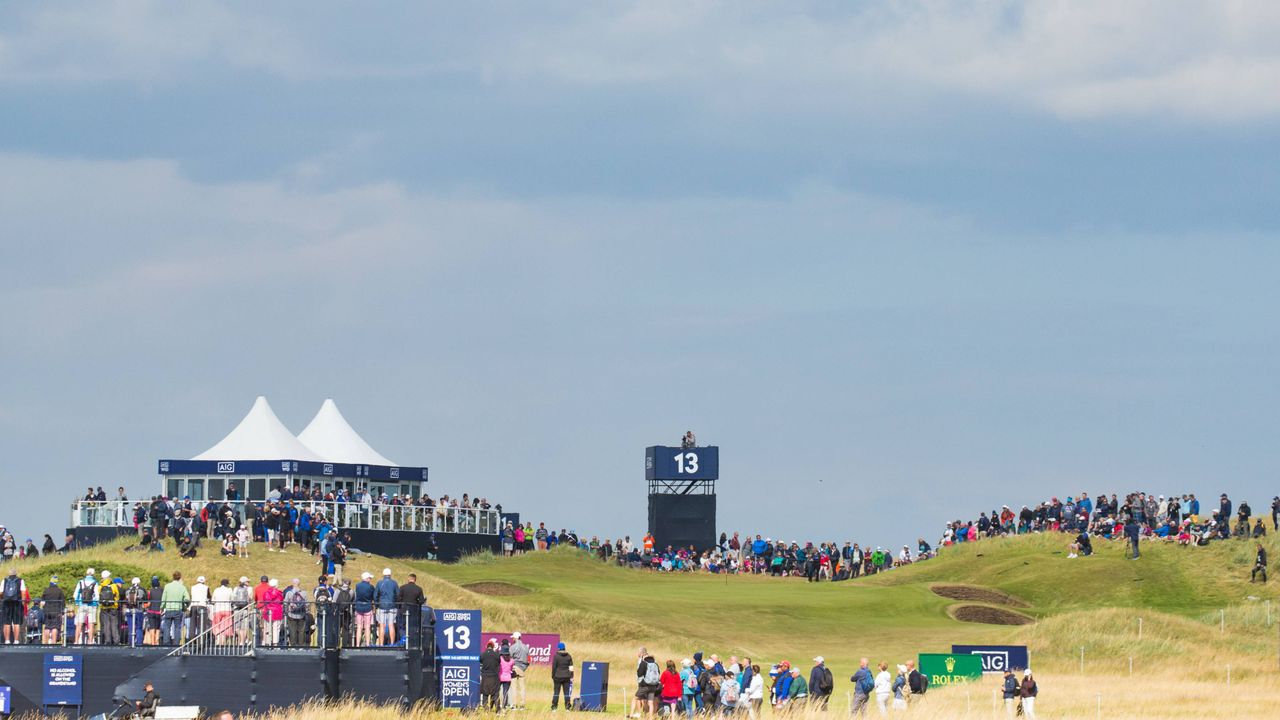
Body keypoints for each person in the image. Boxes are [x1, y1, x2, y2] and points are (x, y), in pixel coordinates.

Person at [161, 572, 189, 645]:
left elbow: (163, 599)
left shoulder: (167, 586)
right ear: (180, 578)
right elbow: (187, 599)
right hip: (178, 609)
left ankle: (166, 642)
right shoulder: (182, 587)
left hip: (169, 608)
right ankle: (176, 643)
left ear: (173, 577)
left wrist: (161, 607)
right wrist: (186, 606)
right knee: (177, 627)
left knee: (167, 627)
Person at [374, 568, 399, 646]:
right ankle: (392, 644)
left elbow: (375, 595)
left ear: (383, 574)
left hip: (382, 606)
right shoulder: (394, 583)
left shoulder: (379, 583)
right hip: (392, 605)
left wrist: (376, 605)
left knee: (382, 625)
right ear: (390, 575)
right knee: (391, 625)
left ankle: (381, 644)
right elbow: (398, 594)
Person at [634, 648, 660, 720]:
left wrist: (642, 682)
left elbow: (639, 673)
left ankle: (641, 714)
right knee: (650, 702)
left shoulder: (644, 663)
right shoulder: (655, 664)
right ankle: (651, 717)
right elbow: (658, 673)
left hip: (645, 685)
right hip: (654, 685)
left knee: (637, 698)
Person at [74, 568, 98, 644]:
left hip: (82, 604)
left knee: (79, 624)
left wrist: (77, 603)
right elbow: (97, 596)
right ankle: (90, 641)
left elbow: (75, 595)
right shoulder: (95, 582)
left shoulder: (81, 582)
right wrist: (96, 604)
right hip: (92, 605)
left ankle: (76, 641)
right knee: (91, 624)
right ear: (93, 574)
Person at [1, 569, 24, 644]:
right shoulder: (20, 580)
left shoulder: (4, 580)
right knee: (16, 622)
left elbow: (1, 592)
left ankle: (7, 640)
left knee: (6, 622)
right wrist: (22, 601)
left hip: (6, 603)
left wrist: (2, 599)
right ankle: (16, 640)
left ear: (9, 574)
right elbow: (23, 591)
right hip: (17, 603)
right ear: (16, 574)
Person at [97, 571, 121, 645]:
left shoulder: (100, 586)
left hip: (104, 608)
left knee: (106, 625)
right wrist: (116, 604)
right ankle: (116, 641)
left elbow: (98, 597)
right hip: (113, 607)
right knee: (114, 624)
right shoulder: (113, 586)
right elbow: (117, 595)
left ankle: (107, 640)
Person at [41, 575, 65, 644]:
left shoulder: (46, 590)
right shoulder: (59, 591)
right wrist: (62, 612)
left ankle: (45, 643)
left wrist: (44, 609)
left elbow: (42, 602)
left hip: (47, 611)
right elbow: (63, 602)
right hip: (56, 611)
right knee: (55, 627)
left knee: (47, 627)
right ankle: (53, 643)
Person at [510, 631, 530, 709]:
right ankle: (522, 705)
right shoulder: (526, 647)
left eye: (513, 638)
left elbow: (509, 658)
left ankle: (514, 705)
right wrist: (525, 667)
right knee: (522, 688)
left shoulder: (513, 647)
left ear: (515, 638)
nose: (512, 639)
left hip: (514, 667)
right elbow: (529, 659)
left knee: (514, 687)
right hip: (522, 669)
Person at [551, 641, 574, 711]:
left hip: (557, 676)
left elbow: (554, 667)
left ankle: (554, 707)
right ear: (564, 648)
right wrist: (571, 676)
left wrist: (553, 676)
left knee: (556, 692)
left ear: (558, 648)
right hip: (567, 677)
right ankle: (567, 708)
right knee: (567, 693)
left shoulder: (556, 656)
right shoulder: (569, 656)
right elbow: (571, 667)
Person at [480, 639, 501, 710]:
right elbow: (499, 662)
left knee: (485, 694)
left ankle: (485, 708)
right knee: (495, 694)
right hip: (494, 677)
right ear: (493, 647)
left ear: (486, 646)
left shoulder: (482, 654)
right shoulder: (497, 655)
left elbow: (480, 661)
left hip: (485, 677)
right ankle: (497, 709)